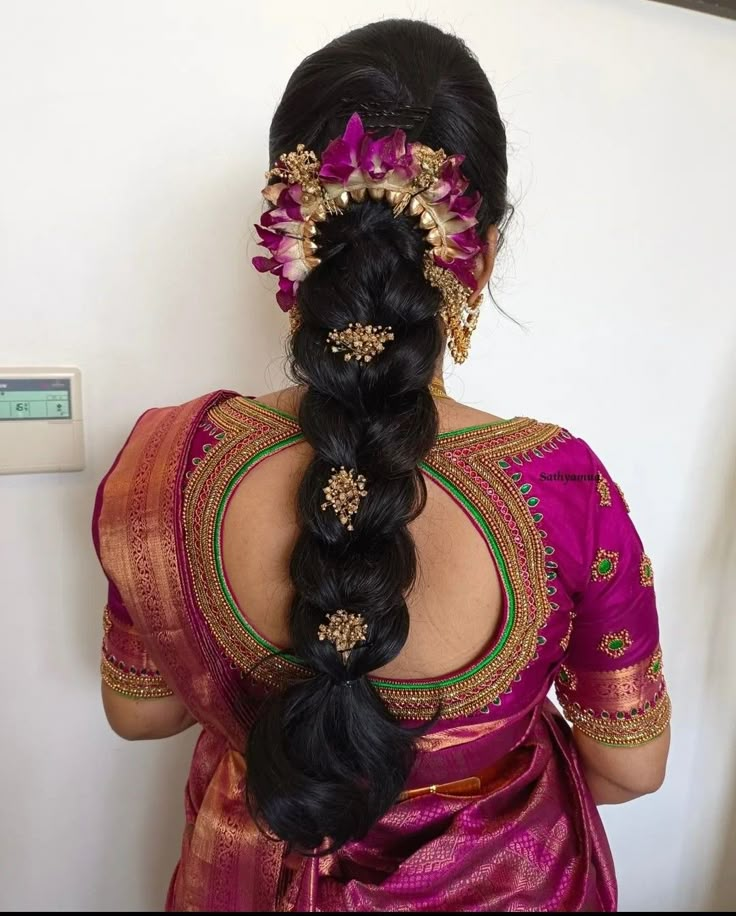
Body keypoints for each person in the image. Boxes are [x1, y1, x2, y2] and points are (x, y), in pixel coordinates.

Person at [93, 19, 670, 912]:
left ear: (293, 240)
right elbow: (631, 767)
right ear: (482, 251)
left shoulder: (168, 464)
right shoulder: (561, 491)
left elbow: (141, 713)